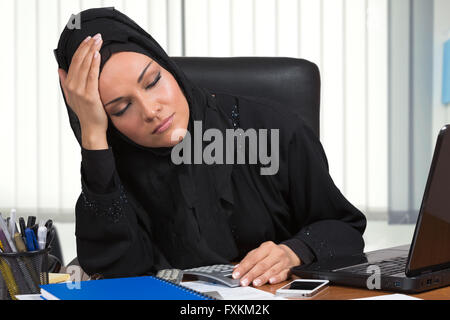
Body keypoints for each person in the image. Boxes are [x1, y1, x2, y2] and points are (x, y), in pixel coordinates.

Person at [54, 7, 366, 288]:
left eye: (152, 82)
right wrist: (93, 136)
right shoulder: (111, 170)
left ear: (168, 67)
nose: (151, 110)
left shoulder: (271, 129)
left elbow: (344, 228)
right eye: (121, 108)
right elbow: (113, 279)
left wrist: (294, 251)